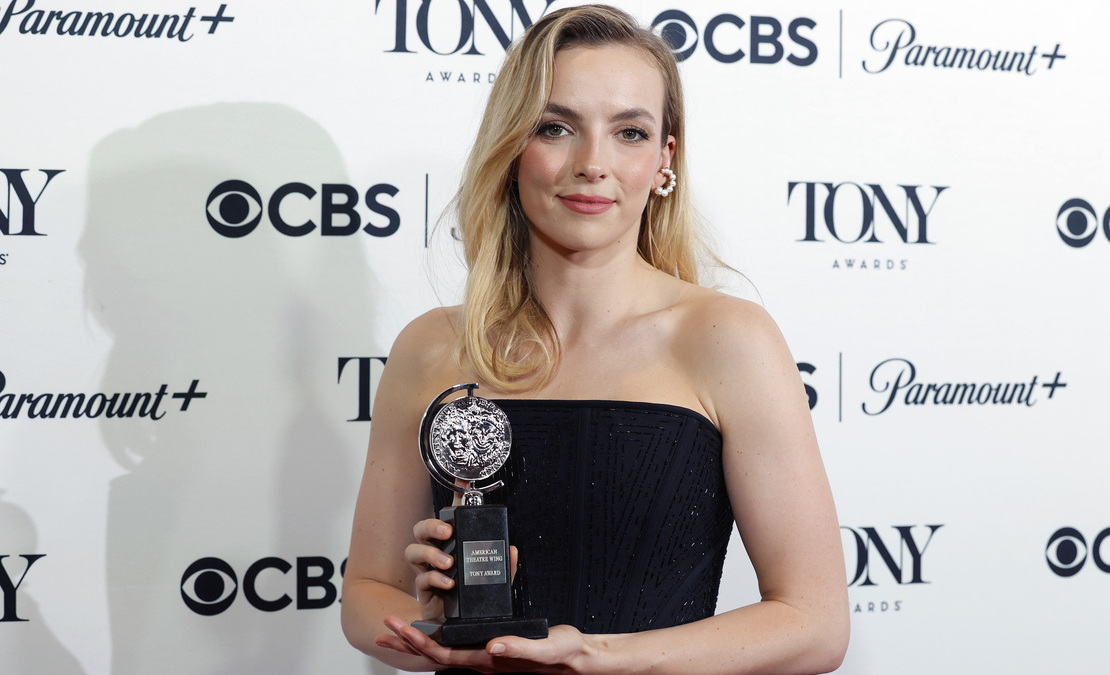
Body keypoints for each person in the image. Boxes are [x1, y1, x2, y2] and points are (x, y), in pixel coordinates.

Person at [341, 5, 849, 674]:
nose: (592, 163)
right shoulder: (431, 347)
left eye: (629, 132)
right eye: (556, 127)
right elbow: (365, 595)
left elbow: (815, 622)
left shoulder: (726, 339)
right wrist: (439, 623)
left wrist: (602, 657)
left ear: (664, 160)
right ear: (512, 146)